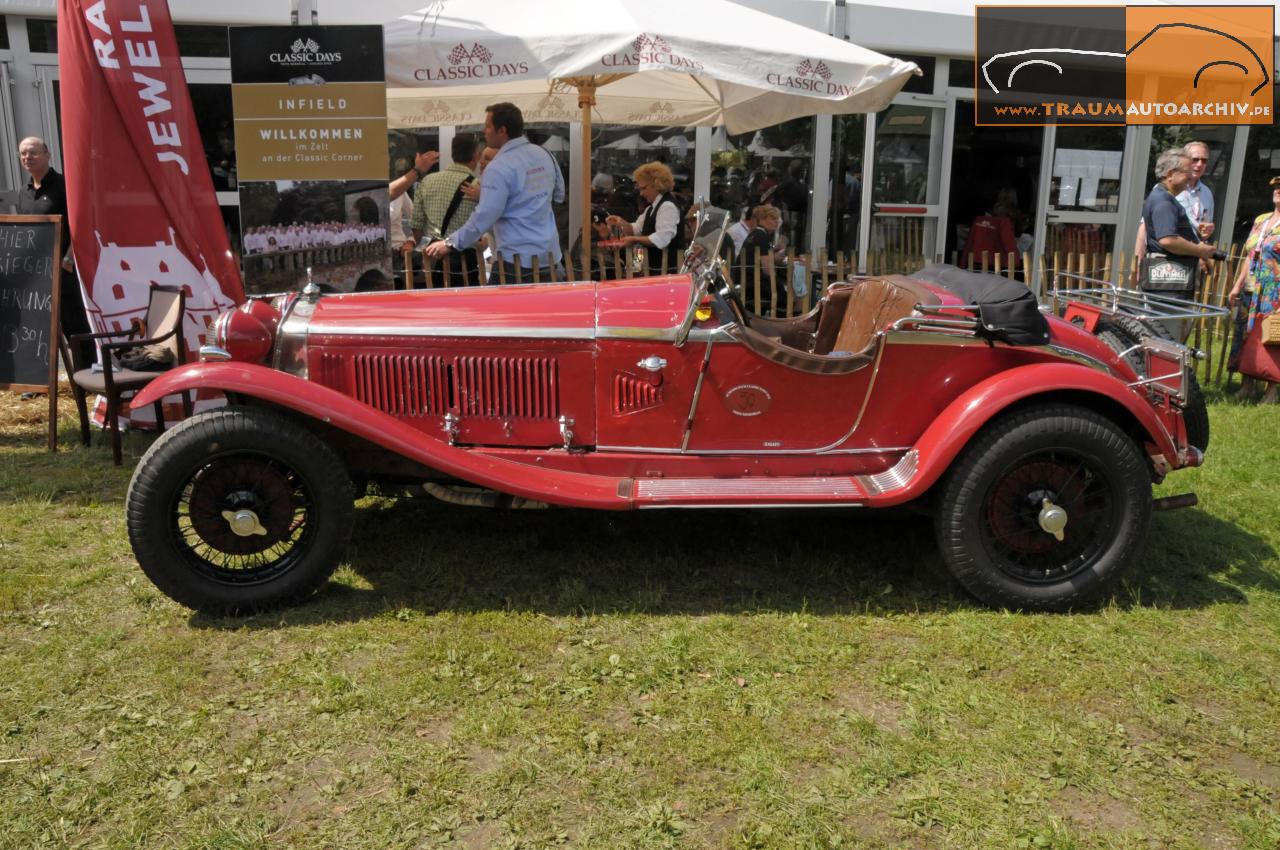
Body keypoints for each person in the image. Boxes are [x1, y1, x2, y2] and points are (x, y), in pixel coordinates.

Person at [425, 103, 565, 284]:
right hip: (550, 254)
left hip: (516, 260)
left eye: (488, 126)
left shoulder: (498, 167)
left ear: (502, 130)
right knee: (545, 311)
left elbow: (485, 215)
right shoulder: (545, 154)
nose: (485, 130)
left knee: (503, 311)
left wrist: (450, 243)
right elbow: (559, 195)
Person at [17, 136, 90, 366]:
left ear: (47, 155)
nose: (28, 157)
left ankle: (86, 376)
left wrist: (68, 260)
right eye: (23, 154)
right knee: (37, 327)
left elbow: (82, 226)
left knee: (74, 325)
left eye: (33, 152)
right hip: (36, 275)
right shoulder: (24, 193)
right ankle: (36, 381)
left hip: (64, 271)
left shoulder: (64, 186)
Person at [1140, 148, 1218, 340]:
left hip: (1171, 281)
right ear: (1170, 175)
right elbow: (1168, 240)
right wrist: (1199, 250)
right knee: (1167, 338)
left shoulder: (1163, 198)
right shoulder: (1164, 202)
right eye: (1186, 172)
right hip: (1169, 285)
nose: (1191, 176)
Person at [1227, 176, 1280, 403]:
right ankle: (1247, 385)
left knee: (1273, 335)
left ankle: (1272, 390)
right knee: (1246, 335)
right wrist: (1237, 285)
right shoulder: (1261, 220)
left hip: (1275, 290)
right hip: (1251, 287)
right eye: (1277, 187)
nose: (1278, 190)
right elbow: (1250, 255)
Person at [412, 133, 483, 287]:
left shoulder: (428, 181)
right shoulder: (479, 188)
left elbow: (416, 225)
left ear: (452, 154)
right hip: (465, 261)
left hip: (432, 258)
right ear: (476, 156)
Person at [605, 161, 684, 275]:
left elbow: (662, 239)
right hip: (650, 270)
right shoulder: (651, 209)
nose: (641, 194)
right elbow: (636, 229)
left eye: (643, 188)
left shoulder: (668, 207)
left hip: (666, 273)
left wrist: (634, 239)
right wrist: (620, 222)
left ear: (656, 185)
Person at [735, 204, 783, 308]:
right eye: (773, 218)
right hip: (752, 284)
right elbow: (767, 269)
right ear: (762, 219)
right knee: (785, 293)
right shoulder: (762, 237)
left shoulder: (754, 234)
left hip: (743, 280)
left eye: (777, 219)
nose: (777, 221)